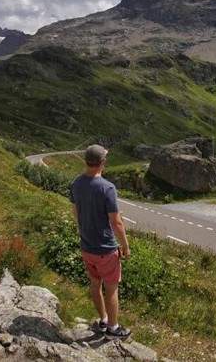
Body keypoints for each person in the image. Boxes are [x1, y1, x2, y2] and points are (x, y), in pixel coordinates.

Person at [69, 144, 131, 338]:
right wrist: (125, 246)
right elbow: (116, 222)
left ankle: (103, 320)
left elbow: (76, 213)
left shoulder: (76, 184)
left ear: (87, 161)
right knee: (111, 288)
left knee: (95, 283)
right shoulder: (107, 187)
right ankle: (113, 328)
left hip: (86, 247)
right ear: (102, 162)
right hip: (105, 248)